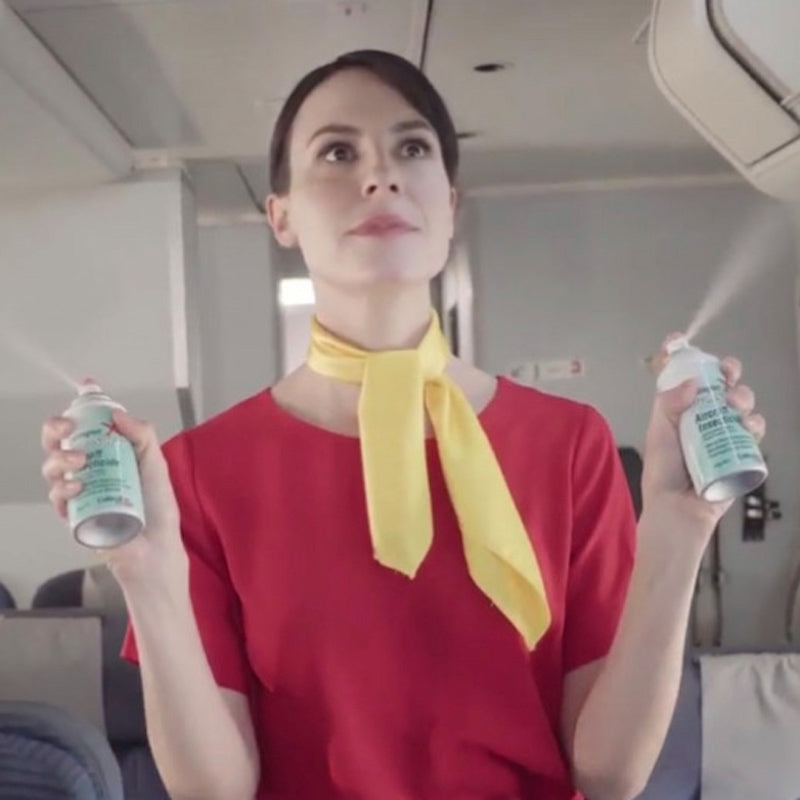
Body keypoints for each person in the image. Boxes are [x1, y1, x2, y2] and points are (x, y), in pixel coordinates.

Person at [40, 50, 766, 800]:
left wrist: (680, 532)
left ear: (450, 203)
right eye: (337, 151)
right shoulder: (196, 472)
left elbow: (608, 773)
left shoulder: (571, 443)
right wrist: (146, 577)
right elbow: (214, 790)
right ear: (280, 215)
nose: (380, 175)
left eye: (411, 148)